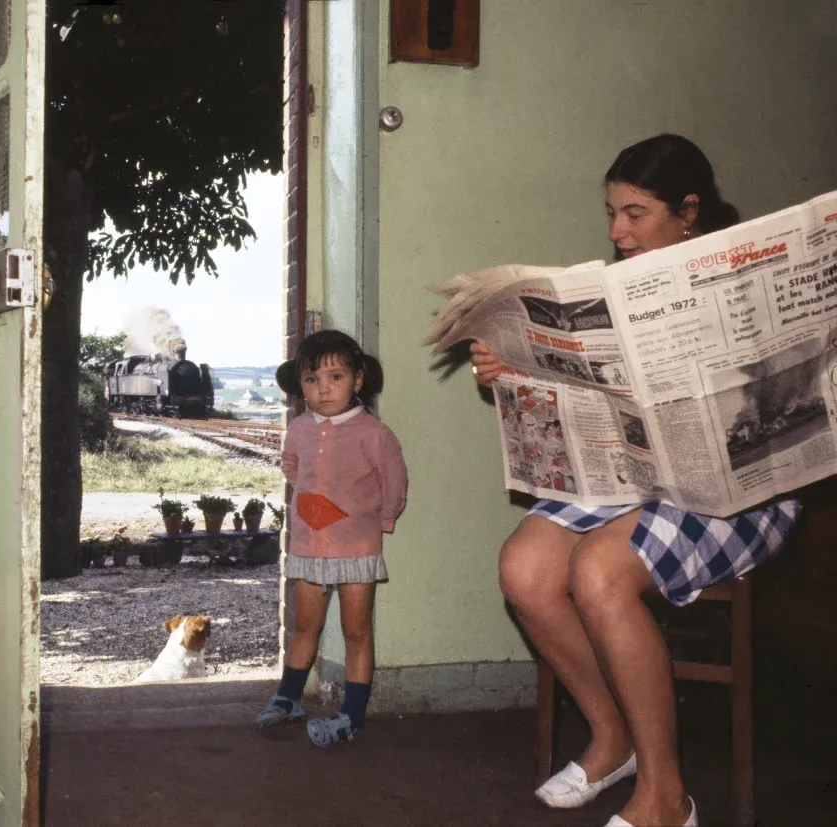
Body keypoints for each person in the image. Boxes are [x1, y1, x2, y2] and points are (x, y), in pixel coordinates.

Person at [471, 134, 801, 827]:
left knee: (601, 570)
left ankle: (666, 796)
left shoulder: (734, 278)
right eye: (612, 213)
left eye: (635, 213)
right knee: (524, 568)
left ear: (689, 212)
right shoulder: (616, 285)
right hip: (637, 476)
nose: (618, 231)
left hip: (740, 489)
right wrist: (511, 371)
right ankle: (613, 736)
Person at [253, 329, 409, 748]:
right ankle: (288, 697)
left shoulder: (374, 433)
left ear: (357, 380)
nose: (322, 389)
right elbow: (292, 468)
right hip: (309, 546)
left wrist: (383, 519)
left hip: (356, 546)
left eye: (335, 377)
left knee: (356, 631)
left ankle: (351, 715)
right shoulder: (298, 429)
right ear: (300, 385)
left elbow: (394, 481)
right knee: (306, 626)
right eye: (311, 379)